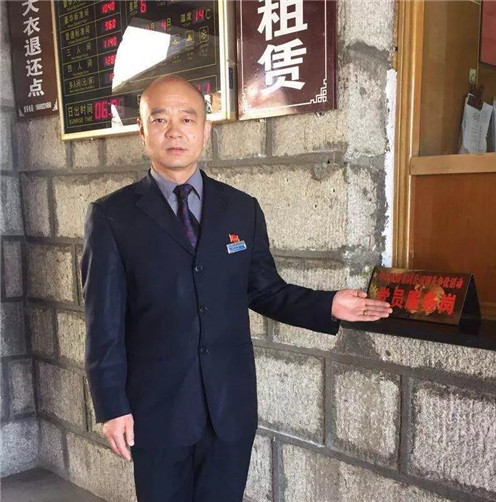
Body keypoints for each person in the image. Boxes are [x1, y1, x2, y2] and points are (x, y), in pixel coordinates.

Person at [81, 75, 392, 502]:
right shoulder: (112, 216)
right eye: (160, 119)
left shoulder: (241, 209)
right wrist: (111, 406)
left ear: (205, 130)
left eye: (187, 119)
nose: (175, 131)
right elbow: (103, 324)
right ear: (142, 130)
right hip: (156, 410)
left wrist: (329, 305)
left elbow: (265, 290)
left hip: (229, 406)